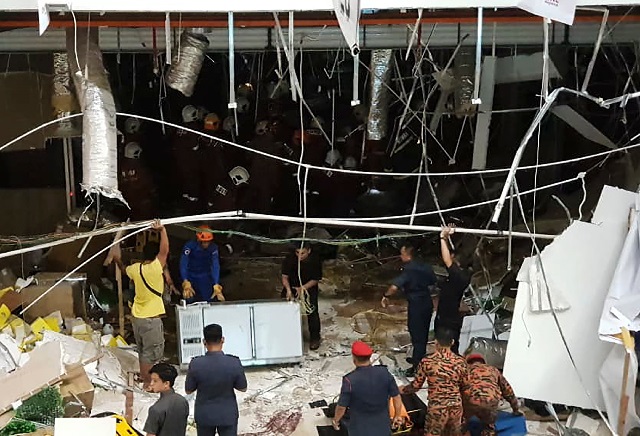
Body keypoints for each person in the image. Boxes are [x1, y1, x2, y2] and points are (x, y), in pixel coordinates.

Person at [114, 219, 169, 389]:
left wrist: (117, 260)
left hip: (137, 316)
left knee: (143, 349)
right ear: (154, 257)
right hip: (151, 319)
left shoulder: (135, 269)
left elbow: (124, 270)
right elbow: (164, 251)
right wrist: (163, 230)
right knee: (150, 353)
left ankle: (147, 379)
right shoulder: (155, 268)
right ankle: (148, 382)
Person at [382, 242, 437, 377]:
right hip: (426, 302)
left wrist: (386, 295)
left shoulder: (409, 269)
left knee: (416, 334)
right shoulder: (425, 266)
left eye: (402, 254)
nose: (401, 257)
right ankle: (418, 357)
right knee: (423, 333)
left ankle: (417, 367)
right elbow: (433, 281)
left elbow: (395, 286)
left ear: (407, 254)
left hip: (416, 304)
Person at [401, 328, 469, 436]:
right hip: (455, 407)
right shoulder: (461, 362)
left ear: (436, 342)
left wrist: (403, 389)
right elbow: (466, 386)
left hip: (437, 408)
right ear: (452, 342)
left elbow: (416, 386)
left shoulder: (427, 362)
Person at [186, 324, 247, 436]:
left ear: (204, 342)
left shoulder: (196, 363)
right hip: (228, 414)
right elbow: (243, 388)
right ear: (222, 340)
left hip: (204, 415)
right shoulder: (234, 362)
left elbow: (188, 390)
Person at [332, 341, 404, 436]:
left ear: (354, 359)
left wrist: (336, 420)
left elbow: (341, 407)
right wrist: (397, 415)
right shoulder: (384, 373)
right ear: (370, 357)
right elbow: (396, 396)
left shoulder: (349, 380)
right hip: (382, 426)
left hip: (359, 428)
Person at [463, 354, 520, 436]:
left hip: (470, 401)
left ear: (468, 362)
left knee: (462, 425)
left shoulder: (466, 370)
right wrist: (516, 409)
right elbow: (508, 391)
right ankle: (488, 431)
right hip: (490, 401)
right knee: (489, 425)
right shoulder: (493, 370)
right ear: (483, 362)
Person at [281, 243, 323, 350]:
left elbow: (316, 279)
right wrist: (289, 290)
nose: (300, 256)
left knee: (312, 311)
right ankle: (287, 336)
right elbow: (284, 277)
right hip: (292, 286)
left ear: (308, 251)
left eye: (303, 253)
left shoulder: (315, 260)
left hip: (309, 287)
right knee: (284, 309)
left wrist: (302, 288)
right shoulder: (289, 259)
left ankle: (315, 338)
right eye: (297, 253)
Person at [436, 224, 471, 354]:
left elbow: (446, 259)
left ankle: (447, 365)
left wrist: (442, 238)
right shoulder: (463, 274)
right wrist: (446, 238)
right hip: (449, 314)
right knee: (451, 343)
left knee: (447, 344)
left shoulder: (458, 276)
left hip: (448, 317)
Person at [180, 225, 225, 303]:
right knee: (189, 298)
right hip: (191, 276)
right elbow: (183, 263)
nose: (206, 244)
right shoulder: (189, 246)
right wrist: (185, 280)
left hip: (205, 277)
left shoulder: (213, 248)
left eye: (208, 241)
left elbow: (215, 265)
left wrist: (216, 283)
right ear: (198, 239)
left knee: (208, 300)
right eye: (203, 241)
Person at [144, 363, 189, 436]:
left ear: (166, 384)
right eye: (151, 380)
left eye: (155, 381)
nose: (151, 384)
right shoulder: (183, 401)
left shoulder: (156, 409)